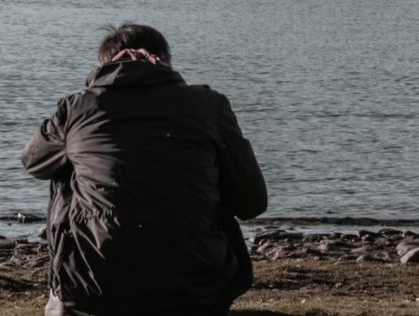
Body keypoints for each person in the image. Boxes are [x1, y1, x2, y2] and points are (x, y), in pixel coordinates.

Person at [22, 23, 267, 315]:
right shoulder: (209, 105)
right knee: (213, 169)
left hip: (92, 287)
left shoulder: (78, 108)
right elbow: (252, 202)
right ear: (165, 59)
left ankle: (60, 302)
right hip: (199, 287)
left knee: (66, 169)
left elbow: (33, 161)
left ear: (106, 64)